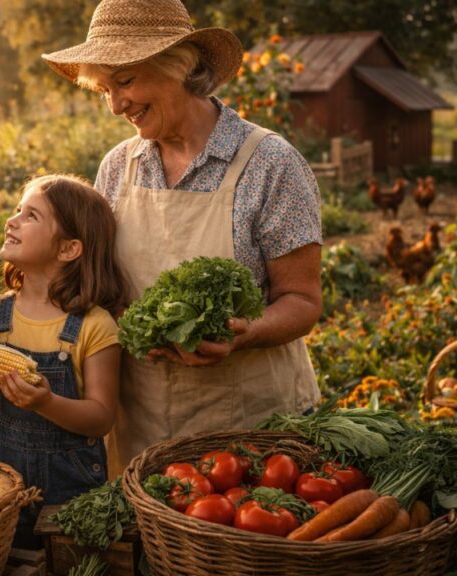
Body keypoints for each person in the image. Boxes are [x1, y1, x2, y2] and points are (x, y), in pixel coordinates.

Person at [42, 0, 323, 476]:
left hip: (251, 429)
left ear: (181, 65)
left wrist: (244, 333)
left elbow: (302, 299)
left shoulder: (270, 163)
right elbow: (104, 285)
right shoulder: (118, 166)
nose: (115, 105)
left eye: (125, 81)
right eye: (105, 89)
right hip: (143, 425)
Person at [0, 174, 124, 548]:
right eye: (17, 210)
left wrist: (47, 402)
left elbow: (101, 417)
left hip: (69, 493)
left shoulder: (93, 325)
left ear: (68, 249)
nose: (12, 220)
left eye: (31, 215)